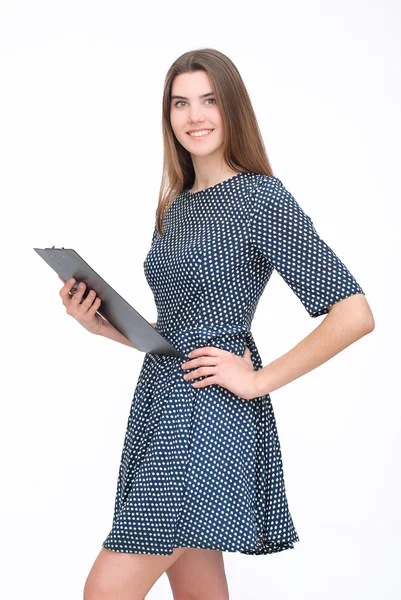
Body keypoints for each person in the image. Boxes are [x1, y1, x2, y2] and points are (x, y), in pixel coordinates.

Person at [58, 48, 374, 600]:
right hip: (161, 402)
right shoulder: (176, 206)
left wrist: (258, 379)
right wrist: (102, 325)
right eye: (180, 103)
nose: (194, 115)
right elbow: (176, 327)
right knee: (199, 587)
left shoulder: (258, 197)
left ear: (233, 110)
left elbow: (354, 313)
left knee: (106, 590)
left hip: (207, 414)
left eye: (209, 100)